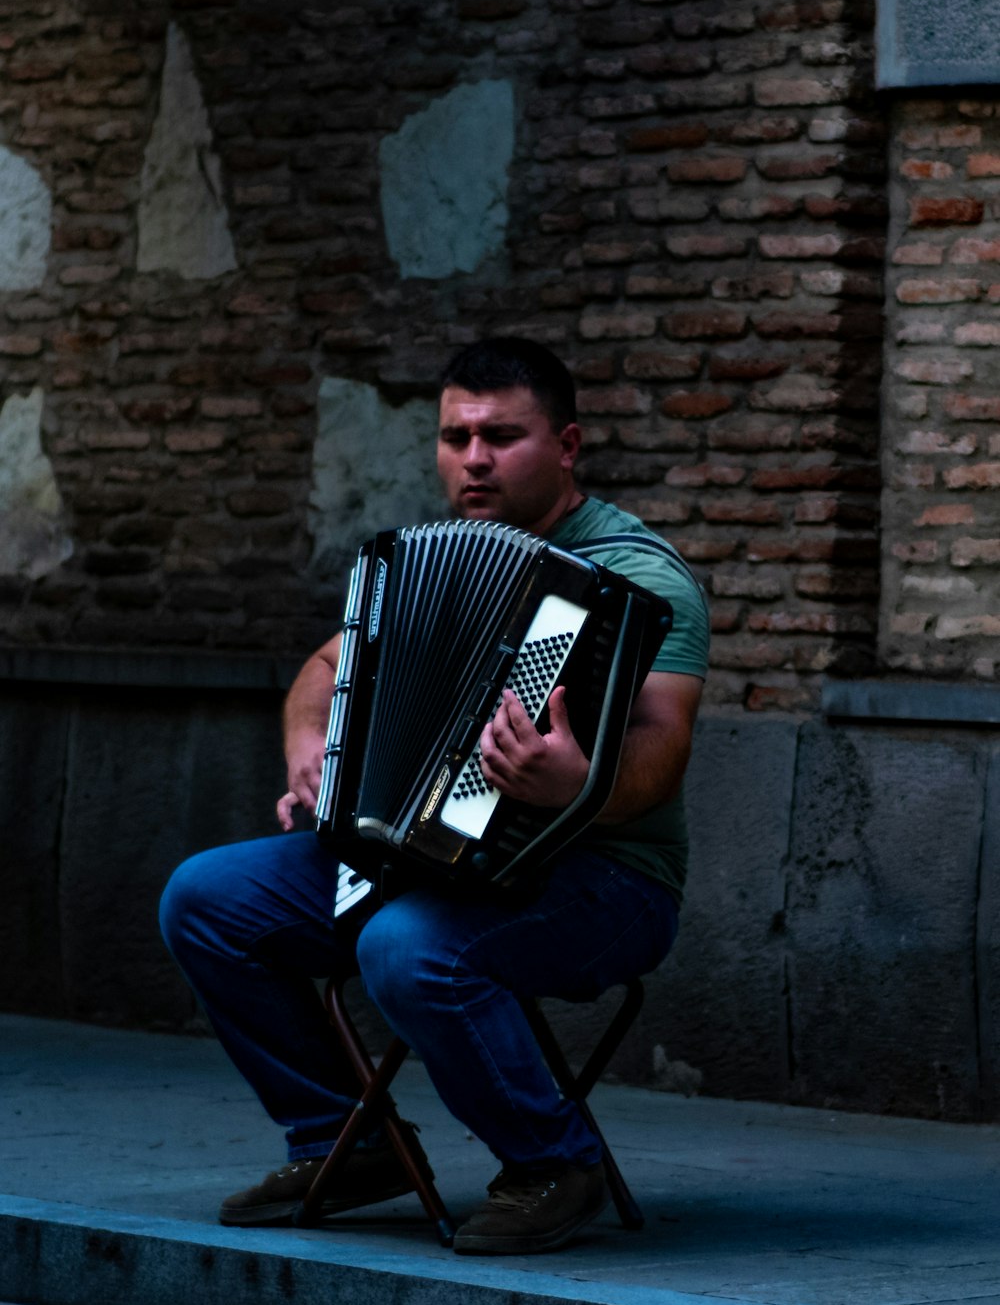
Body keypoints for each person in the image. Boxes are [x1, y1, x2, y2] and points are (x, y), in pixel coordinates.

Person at [159, 337, 709, 1255]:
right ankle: (347, 1139)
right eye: (456, 436)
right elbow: (327, 665)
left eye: (503, 436)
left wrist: (577, 786)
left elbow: (664, 748)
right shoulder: (429, 560)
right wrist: (307, 742)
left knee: (408, 944)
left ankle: (552, 1163)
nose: (475, 459)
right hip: (427, 852)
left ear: (567, 446)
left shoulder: (638, 578)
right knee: (205, 900)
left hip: (604, 875)